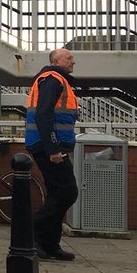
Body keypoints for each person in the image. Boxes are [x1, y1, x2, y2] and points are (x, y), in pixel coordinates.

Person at [25, 48, 79, 261]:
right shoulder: (52, 79)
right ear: (56, 61)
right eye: (69, 58)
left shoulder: (58, 80)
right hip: (49, 147)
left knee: (56, 193)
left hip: (50, 146)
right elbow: (43, 114)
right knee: (68, 192)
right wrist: (53, 149)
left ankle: (49, 244)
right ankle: (29, 234)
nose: (73, 61)